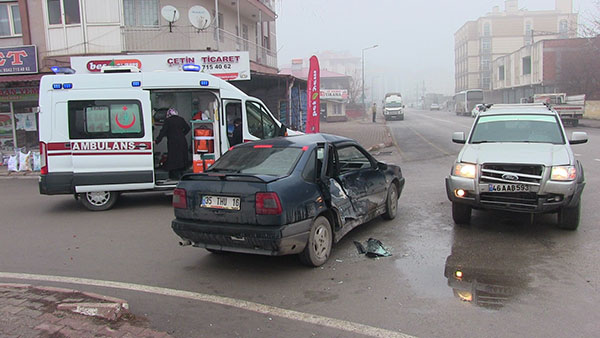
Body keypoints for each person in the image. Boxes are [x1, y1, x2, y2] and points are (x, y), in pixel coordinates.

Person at [155, 108, 191, 179]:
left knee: (173, 157)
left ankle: (174, 175)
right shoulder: (181, 119)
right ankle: (181, 174)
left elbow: (163, 132)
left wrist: (157, 140)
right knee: (182, 157)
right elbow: (188, 128)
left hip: (173, 142)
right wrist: (182, 134)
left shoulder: (168, 121)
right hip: (182, 141)